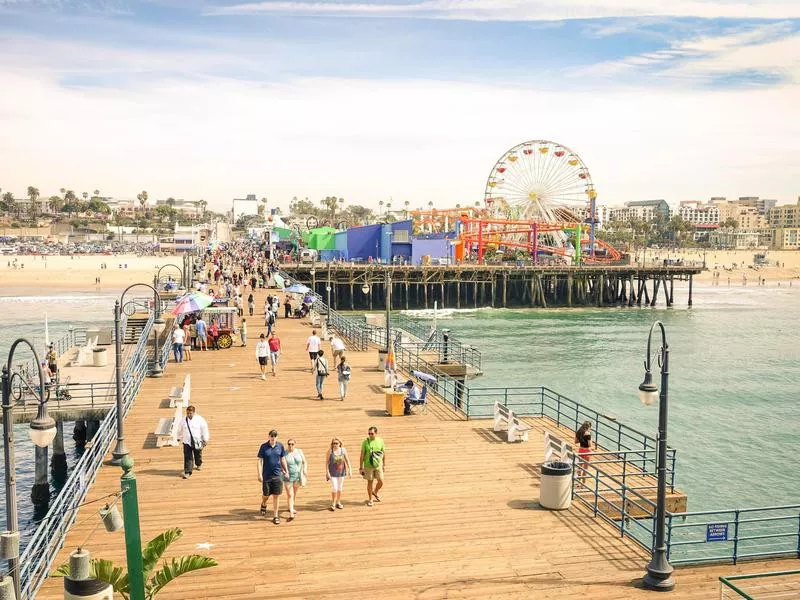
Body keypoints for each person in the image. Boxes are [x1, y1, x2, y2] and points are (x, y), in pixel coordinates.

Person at [257, 429, 289, 524]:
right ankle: (263, 503)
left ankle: (276, 515)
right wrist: (259, 474)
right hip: (266, 475)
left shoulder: (280, 446)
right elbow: (259, 461)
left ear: (277, 437)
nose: (273, 437)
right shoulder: (263, 447)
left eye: (275, 436)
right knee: (266, 495)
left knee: (276, 495)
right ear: (269, 436)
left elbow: (282, 458)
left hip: (277, 474)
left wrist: (286, 471)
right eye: (271, 436)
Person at [176, 405, 210, 479]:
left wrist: (205, 439)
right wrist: (178, 437)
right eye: (187, 413)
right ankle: (187, 472)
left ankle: (198, 463)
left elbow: (204, 430)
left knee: (198, 454)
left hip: (197, 441)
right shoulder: (183, 420)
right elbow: (179, 430)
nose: (189, 415)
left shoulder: (200, 419)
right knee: (188, 457)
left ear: (194, 413)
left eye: (190, 413)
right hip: (186, 441)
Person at [359, 426, 385, 507]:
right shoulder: (365, 442)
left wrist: (384, 465)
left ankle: (375, 492)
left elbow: (383, 453)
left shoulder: (380, 441)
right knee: (370, 482)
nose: (370, 435)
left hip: (378, 465)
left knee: (381, 481)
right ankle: (370, 499)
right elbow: (362, 455)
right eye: (369, 433)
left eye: (372, 433)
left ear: (376, 433)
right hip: (368, 465)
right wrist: (361, 467)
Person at [284, 438, 307, 521]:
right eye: (289, 444)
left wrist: (305, 470)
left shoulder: (299, 451)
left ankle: (291, 507)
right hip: (288, 477)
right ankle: (291, 513)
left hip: (298, 476)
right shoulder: (284, 453)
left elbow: (304, 462)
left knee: (294, 493)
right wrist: (284, 472)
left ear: (295, 444)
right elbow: (281, 464)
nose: (290, 446)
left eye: (292, 444)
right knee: (290, 494)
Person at [325, 437, 351, 511]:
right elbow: (327, 463)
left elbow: (347, 460)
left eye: (336, 443)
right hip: (332, 473)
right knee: (334, 488)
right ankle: (333, 503)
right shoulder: (330, 451)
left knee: (340, 488)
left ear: (340, 444)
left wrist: (350, 469)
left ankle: (338, 502)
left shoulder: (343, 450)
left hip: (341, 472)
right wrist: (327, 472)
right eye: (334, 443)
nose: (335, 445)